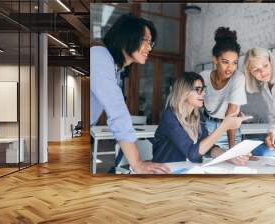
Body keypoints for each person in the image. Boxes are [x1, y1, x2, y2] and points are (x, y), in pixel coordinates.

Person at [90, 14, 170, 174]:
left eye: (150, 42)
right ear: (126, 37)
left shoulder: (116, 69)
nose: (149, 48)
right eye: (145, 40)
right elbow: (117, 111)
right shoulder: (98, 55)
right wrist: (137, 163)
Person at [152, 72, 250, 165]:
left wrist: (229, 157)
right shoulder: (170, 117)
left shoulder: (198, 115)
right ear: (183, 92)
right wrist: (223, 127)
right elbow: (193, 154)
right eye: (198, 89)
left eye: (203, 89)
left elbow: (208, 148)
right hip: (168, 172)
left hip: (189, 171)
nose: (203, 93)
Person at [200, 27, 247, 151]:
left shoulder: (238, 77)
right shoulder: (204, 76)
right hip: (207, 128)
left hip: (230, 131)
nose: (230, 68)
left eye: (234, 63)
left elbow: (231, 114)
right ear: (215, 59)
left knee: (233, 166)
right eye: (225, 62)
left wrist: (232, 150)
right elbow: (196, 105)